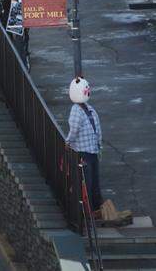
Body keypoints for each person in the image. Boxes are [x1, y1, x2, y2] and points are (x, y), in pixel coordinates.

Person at [66, 77, 102, 214]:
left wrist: (68, 142)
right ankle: (94, 209)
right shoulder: (86, 109)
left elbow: (74, 129)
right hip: (89, 151)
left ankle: (91, 211)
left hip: (86, 151)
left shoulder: (79, 109)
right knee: (92, 181)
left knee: (88, 182)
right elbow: (97, 129)